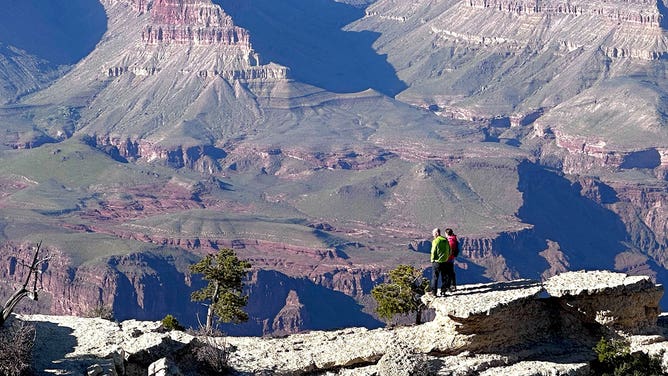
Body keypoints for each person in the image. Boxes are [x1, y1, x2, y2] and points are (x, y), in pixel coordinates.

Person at [430, 228, 451, 296]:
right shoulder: (445, 240)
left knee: (435, 277)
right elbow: (449, 250)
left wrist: (432, 259)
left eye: (433, 234)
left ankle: (434, 292)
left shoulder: (436, 241)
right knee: (444, 276)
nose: (433, 235)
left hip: (437, 262)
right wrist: (447, 257)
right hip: (445, 261)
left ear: (436, 233)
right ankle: (443, 291)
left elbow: (433, 251)